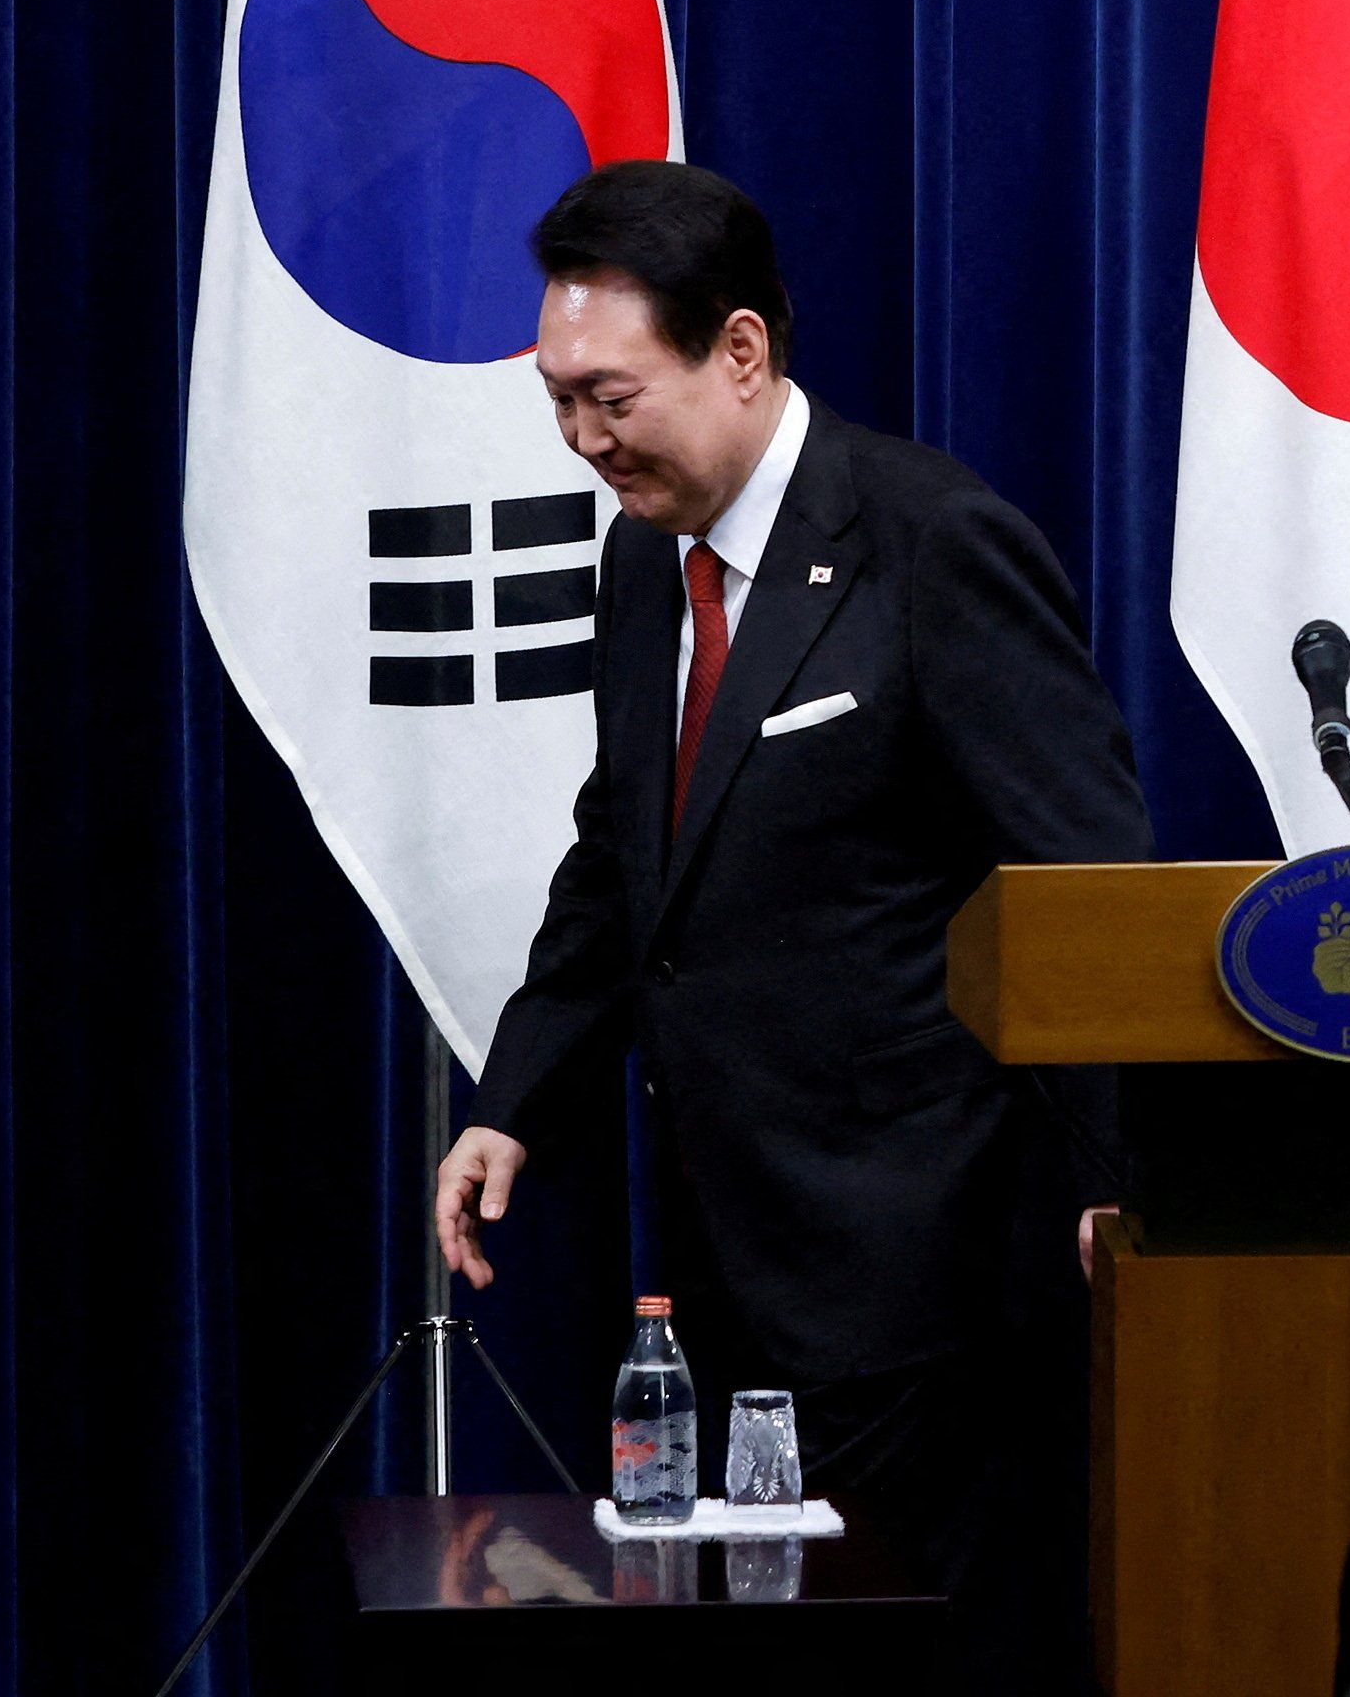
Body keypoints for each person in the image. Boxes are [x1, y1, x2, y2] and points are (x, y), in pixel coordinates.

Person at [431, 161, 1150, 1674]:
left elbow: (1090, 886)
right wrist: (519, 1102)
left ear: (740, 352)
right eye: (559, 398)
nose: (581, 439)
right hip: (731, 1261)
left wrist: (1120, 1174)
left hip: (930, 1278)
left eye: (612, 397)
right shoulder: (644, 562)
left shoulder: (929, 542)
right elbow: (626, 859)